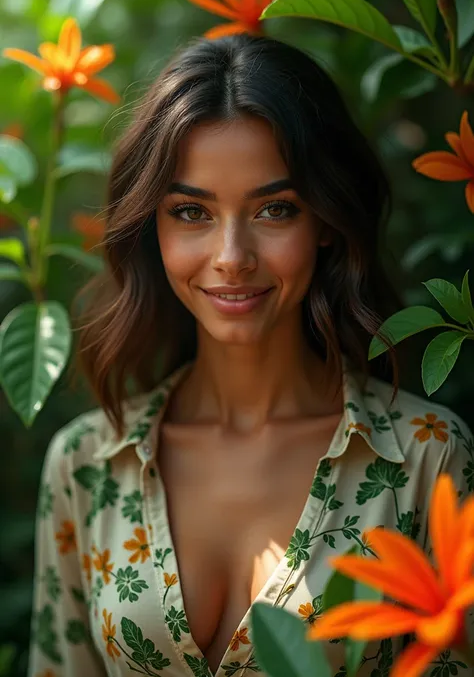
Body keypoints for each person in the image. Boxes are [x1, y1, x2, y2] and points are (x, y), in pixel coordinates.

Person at [28, 33, 473, 677]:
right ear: (151, 226)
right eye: (191, 212)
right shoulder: (88, 464)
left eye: (274, 208)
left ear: (325, 221)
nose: (232, 257)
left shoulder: (427, 459)